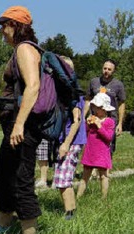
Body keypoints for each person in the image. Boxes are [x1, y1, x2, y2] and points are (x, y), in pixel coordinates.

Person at [0, 5, 44, 234]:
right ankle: (3, 228)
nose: (2, 30)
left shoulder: (24, 49)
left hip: (23, 126)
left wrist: (20, 123)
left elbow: (33, 87)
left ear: (17, 25)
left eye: (5, 25)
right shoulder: (19, 50)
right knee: (3, 177)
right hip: (15, 126)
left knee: (21, 179)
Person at [52, 57, 88, 220]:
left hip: (71, 141)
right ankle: (70, 210)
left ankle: (70, 213)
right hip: (64, 140)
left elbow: (77, 121)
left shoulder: (73, 93)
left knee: (63, 178)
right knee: (62, 177)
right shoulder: (61, 91)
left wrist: (66, 144)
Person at [77, 93, 115, 199]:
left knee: (103, 175)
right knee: (85, 176)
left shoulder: (109, 122)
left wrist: (99, 126)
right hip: (90, 151)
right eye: (94, 107)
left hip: (102, 152)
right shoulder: (92, 118)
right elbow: (86, 133)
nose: (95, 109)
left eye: (97, 107)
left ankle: (104, 197)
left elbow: (108, 137)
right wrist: (87, 125)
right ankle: (78, 196)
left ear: (104, 109)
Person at [86, 59, 126, 154]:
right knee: (93, 145)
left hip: (110, 120)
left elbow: (121, 104)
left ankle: (105, 167)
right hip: (94, 119)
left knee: (108, 147)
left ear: (113, 71)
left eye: (109, 69)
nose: (106, 71)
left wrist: (120, 123)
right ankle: (93, 167)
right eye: (105, 68)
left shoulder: (118, 85)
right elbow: (87, 99)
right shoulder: (94, 82)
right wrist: (84, 115)